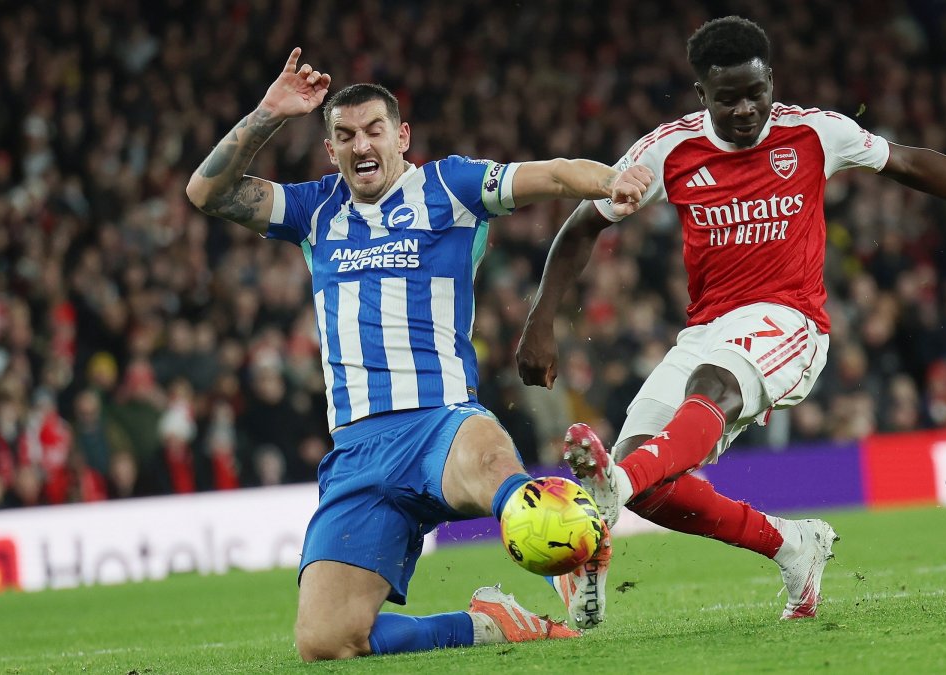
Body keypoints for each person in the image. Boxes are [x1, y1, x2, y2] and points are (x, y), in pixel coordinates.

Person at [516, 16, 946, 629]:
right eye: (727, 97)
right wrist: (540, 320)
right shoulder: (668, 151)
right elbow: (584, 224)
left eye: (755, 92)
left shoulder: (815, 132)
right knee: (651, 473)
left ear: (772, 82)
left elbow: (909, 162)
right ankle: (791, 545)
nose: (745, 108)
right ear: (700, 95)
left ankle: (610, 492)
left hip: (791, 322)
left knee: (702, 395)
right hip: (708, 327)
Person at [185, 49, 652, 661]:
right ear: (330, 151)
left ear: (401, 136)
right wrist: (270, 113)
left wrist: (611, 180)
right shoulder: (314, 210)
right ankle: (487, 623)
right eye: (345, 136)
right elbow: (206, 193)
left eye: (374, 130)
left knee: (492, 467)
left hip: (441, 424)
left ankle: (571, 548)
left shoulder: (448, 187)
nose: (360, 145)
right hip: (358, 453)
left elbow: (556, 175)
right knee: (326, 642)